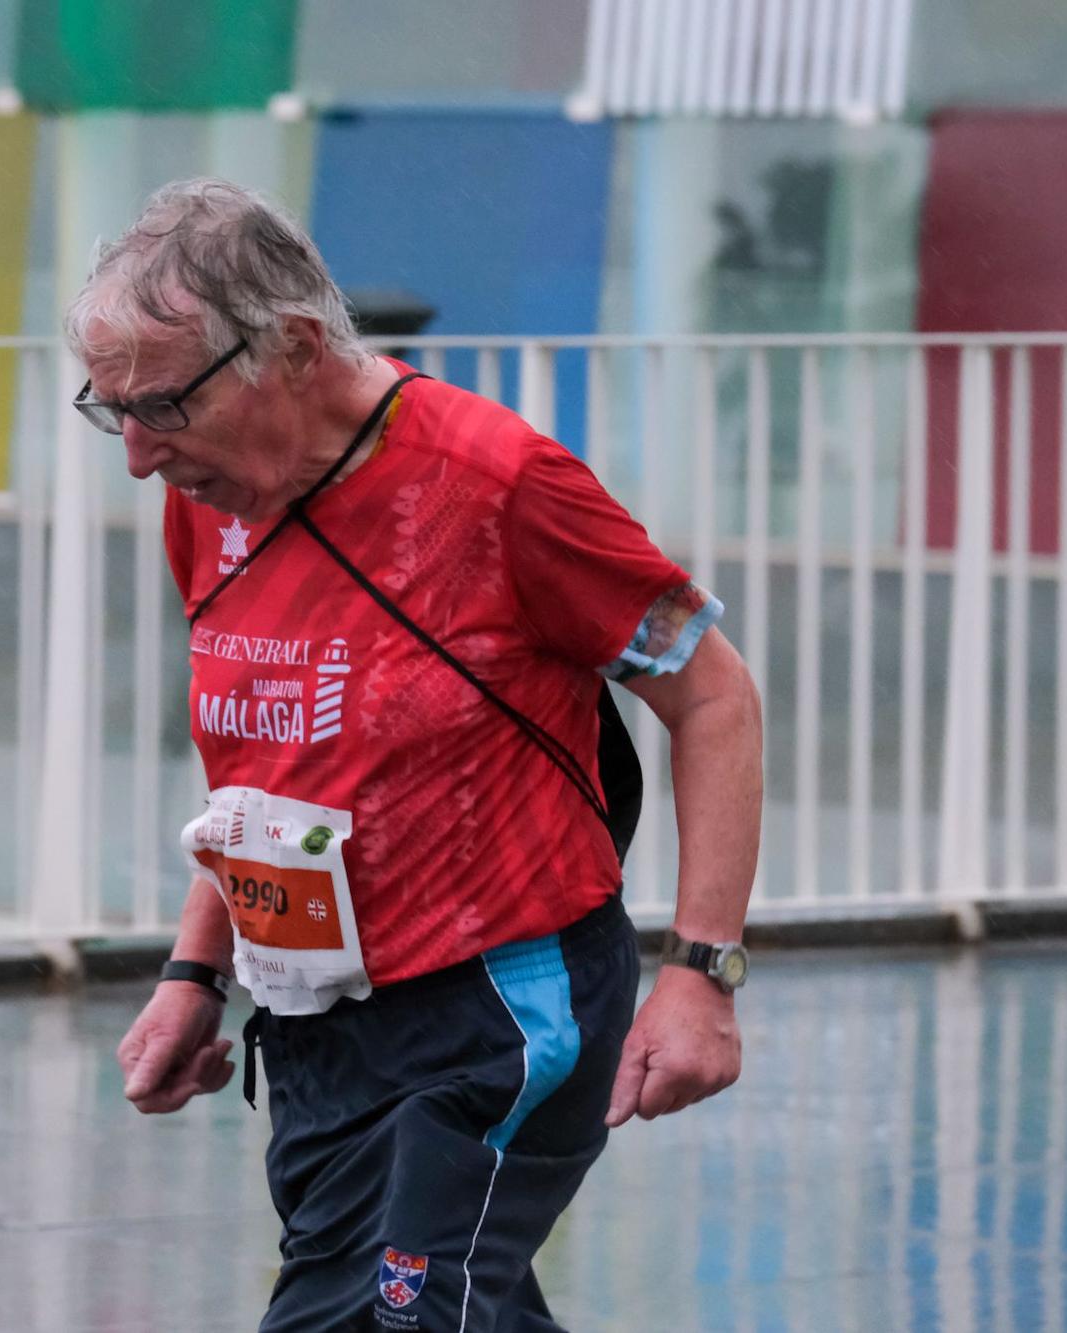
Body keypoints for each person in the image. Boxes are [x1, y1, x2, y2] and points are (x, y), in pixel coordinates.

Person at [66, 180, 763, 1332]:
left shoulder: (496, 484)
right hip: (316, 1028)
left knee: (383, 1319)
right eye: (110, 410)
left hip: (496, 1007)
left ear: (290, 346)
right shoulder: (213, 493)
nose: (138, 455)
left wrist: (701, 973)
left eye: (162, 406)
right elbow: (264, 767)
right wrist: (197, 975)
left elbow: (714, 694)